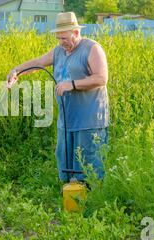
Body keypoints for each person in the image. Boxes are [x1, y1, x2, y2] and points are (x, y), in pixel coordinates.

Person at [7, 12, 110, 184]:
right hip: (67, 121)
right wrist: (17, 71)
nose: (61, 42)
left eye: (64, 38)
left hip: (90, 121)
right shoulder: (59, 51)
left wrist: (73, 84)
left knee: (88, 166)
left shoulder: (92, 49)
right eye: (58, 38)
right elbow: (39, 63)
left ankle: (91, 203)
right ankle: (69, 202)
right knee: (65, 162)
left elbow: (101, 78)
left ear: (76, 33)